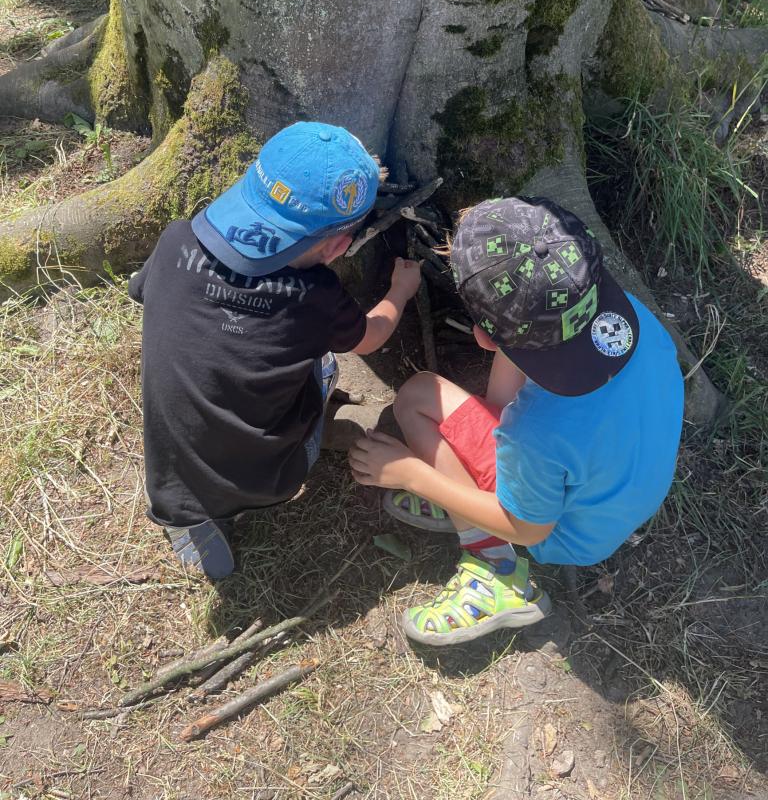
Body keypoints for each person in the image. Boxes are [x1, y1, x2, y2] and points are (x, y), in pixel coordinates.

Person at [348, 196, 684, 646]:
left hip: (568, 535)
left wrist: (413, 475)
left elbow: (528, 528)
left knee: (417, 397)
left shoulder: (534, 431)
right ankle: (469, 494)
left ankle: (496, 569)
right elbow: (509, 393)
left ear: (483, 337)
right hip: (624, 493)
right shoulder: (632, 319)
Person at [128, 121, 421, 580]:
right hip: (275, 481)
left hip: (170, 481)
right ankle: (309, 423)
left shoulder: (177, 240)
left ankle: (188, 514)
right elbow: (372, 336)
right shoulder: (317, 295)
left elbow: (141, 292)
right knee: (325, 361)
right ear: (338, 246)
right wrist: (400, 291)